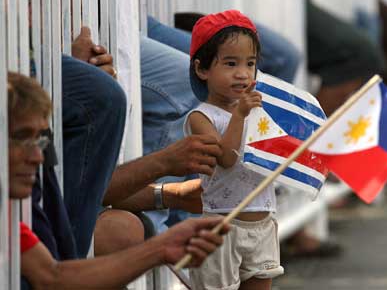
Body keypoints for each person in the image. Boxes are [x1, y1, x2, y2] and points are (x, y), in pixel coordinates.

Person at [8, 71, 229, 289]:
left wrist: (162, 247)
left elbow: (51, 277)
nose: (38, 157)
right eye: (21, 138)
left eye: (40, 142)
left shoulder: (8, 215)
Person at [185, 10, 284, 290]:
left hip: (263, 219)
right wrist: (240, 116)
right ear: (202, 69)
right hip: (223, 224)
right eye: (230, 63)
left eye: (250, 63)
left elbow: (274, 156)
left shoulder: (257, 111)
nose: (242, 73)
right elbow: (226, 159)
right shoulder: (202, 117)